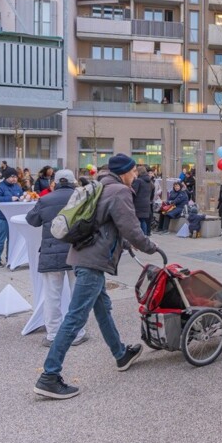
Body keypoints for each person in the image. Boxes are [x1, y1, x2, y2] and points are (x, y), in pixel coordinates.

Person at [33, 153, 158, 399]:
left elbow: (105, 224)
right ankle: (49, 375)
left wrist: (122, 243)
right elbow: (131, 227)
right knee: (76, 317)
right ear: (124, 172)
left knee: (102, 309)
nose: (135, 175)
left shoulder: (100, 186)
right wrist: (150, 247)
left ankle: (121, 354)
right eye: (133, 171)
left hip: (84, 256)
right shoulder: (120, 191)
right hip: (93, 262)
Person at [26, 170, 88, 348]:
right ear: (73, 182)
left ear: (55, 183)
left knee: (52, 295)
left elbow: (32, 220)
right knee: (78, 294)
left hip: (51, 253)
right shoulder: (81, 198)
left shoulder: (45, 199)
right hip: (77, 252)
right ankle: (77, 333)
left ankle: (53, 334)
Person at [0, 167, 23, 267]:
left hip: (14, 217)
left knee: (12, 239)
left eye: (15, 177)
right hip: (2, 217)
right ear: (6, 177)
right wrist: (9, 198)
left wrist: (23, 198)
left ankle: (10, 258)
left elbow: (20, 196)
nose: (14, 179)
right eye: (12, 177)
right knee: (1, 238)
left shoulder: (17, 187)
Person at [131, 165, 153, 236]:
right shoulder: (149, 181)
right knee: (143, 220)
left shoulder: (138, 181)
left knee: (139, 221)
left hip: (138, 204)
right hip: (146, 204)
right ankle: (145, 235)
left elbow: (133, 192)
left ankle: (141, 236)